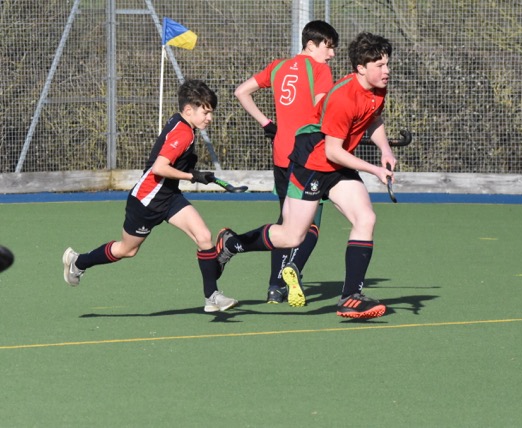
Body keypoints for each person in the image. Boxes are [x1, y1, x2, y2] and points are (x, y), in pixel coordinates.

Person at [214, 32, 396, 319]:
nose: (387, 71)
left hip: (336, 166)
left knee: (366, 218)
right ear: (361, 68)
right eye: (380, 65)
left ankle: (350, 297)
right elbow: (333, 151)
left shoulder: (377, 90)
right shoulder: (343, 97)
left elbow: (373, 119)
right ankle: (232, 243)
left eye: (387, 64)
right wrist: (374, 169)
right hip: (312, 163)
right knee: (291, 236)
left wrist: (385, 149)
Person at [62, 79, 237, 313]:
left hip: (169, 197)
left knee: (204, 236)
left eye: (211, 112)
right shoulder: (183, 133)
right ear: (188, 110)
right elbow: (159, 168)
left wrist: (192, 171)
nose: (210, 118)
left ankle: (212, 296)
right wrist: (192, 176)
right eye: (206, 112)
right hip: (146, 201)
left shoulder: (182, 123)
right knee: (127, 250)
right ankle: (78, 261)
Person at [234, 20, 339, 306]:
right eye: (329, 47)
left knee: (284, 222)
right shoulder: (320, 70)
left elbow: (241, 91)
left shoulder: (278, 66)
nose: (331, 54)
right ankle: (293, 267)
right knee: (310, 222)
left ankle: (274, 287)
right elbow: (324, 111)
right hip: (308, 156)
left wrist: (267, 124)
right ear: (312, 45)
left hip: (281, 154)